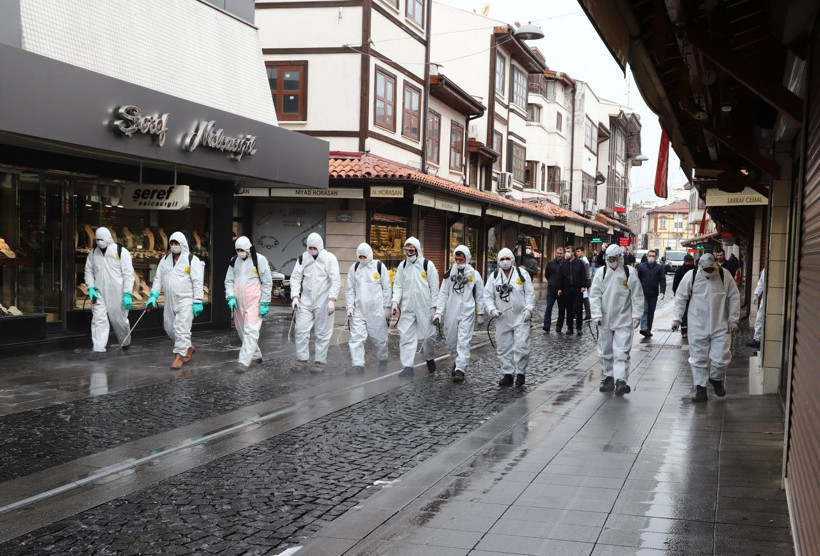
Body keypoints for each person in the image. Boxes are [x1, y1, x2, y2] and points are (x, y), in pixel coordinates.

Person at [672, 253, 740, 402]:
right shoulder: (692, 275)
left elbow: (734, 296)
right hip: (697, 324)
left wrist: (733, 319)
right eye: (707, 269)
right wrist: (677, 319)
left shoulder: (724, 275)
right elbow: (681, 297)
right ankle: (700, 388)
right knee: (698, 358)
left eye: (712, 269)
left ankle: (716, 378)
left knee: (722, 357)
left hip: (720, 323)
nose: (710, 272)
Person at [589, 244, 644, 396]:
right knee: (605, 350)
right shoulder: (602, 272)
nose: (611, 262)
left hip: (623, 318)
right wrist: (597, 313)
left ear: (620, 258)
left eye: (614, 259)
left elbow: (637, 295)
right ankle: (608, 376)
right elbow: (594, 295)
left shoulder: (629, 272)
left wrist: (636, 314)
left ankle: (620, 380)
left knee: (621, 351)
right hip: (605, 318)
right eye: (609, 259)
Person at [146, 232, 204, 369]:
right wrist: (153, 295)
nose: (174, 246)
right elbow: (158, 278)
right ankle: (187, 347)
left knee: (182, 328)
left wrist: (198, 300)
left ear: (182, 244)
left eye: (176, 243)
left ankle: (178, 356)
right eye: (172, 243)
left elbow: (197, 281)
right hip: (169, 300)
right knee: (169, 328)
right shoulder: (165, 259)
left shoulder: (191, 260)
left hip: (186, 299)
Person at [290, 233, 341, 372]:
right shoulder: (303, 258)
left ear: (320, 246)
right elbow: (295, 277)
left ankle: (320, 360)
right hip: (305, 301)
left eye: (314, 247)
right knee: (300, 330)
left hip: (323, 301)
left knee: (322, 332)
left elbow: (335, 280)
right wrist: (295, 296)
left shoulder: (329, 259)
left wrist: (332, 299)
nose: (312, 249)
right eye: (309, 247)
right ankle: (302, 358)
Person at [485, 248, 535, 387]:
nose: (505, 262)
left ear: (512, 260)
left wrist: (529, 309)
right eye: (502, 259)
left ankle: (520, 373)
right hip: (502, 318)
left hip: (521, 316)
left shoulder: (521, 274)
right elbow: (487, 296)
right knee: (503, 346)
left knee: (521, 345)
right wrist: (492, 309)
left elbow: (530, 293)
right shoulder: (494, 276)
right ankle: (507, 374)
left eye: (508, 259)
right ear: (498, 261)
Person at [434, 245, 485, 383]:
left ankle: (460, 369)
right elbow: (443, 294)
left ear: (466, 258)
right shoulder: (448, 274)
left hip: (466, 312)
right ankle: (457, 361)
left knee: (463, 341)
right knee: (451, 341)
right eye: (456, 258)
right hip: (451, 312)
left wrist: (480, 313)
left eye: (461, 258)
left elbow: (480, 294)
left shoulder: (474, 275)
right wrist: (439, 312)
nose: (458, 260)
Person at [391, 237, 440, 377]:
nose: (408, 253)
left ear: (417, 250)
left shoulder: (427, 265)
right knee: (405, 335)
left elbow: (434, 288)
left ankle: (429, 357)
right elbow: (398, 285)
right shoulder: (402, 266)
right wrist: (395, 301)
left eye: (411, 250)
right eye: (406, 250)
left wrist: (434, 307)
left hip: (424, 307)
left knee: (429, 335)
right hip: (407, 307)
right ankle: (408, 366)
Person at [85, 227, 135, 360]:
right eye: (97, 239)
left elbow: (128, 274)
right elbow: (88, 272)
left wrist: (127, 293)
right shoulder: (93, 254)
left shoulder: (121, 252)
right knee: (99, 319)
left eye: (102, 239)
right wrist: (90, 288)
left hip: (117, 293)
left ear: (108, 238)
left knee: (119, 321)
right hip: (99, 292)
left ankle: (125, 342)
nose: (99, 242)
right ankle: (99, 349)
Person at [225, 236, 272, 370]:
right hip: (238, 303)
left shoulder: (260, 260)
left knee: (251, 331)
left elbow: (267, 282)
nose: (240, 252)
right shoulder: (234, 261)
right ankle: (256, 355)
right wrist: (231, 296)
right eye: (237, 249)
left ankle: (243, 362)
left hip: (255, 302)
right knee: (241, 331)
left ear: (248, 248)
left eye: (242, 250)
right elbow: (228, 280)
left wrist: (264, 302)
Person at [346, 243, 391, 373]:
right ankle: (357, 365)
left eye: (364, 256)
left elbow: (386, 287)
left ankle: (383, 359)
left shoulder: (379, 267)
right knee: (356, 338)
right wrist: (350, 306)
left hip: (376, 310)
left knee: (379, 338)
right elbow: (350, 289)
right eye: (360, 256)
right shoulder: (354, 268)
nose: (362, 258)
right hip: (359, 309)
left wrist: (386, 307)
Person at [556, 245, 587, 335]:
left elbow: (583, 275)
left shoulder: (579, 263)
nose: (567, 253)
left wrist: (583, 286)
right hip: (567, 289)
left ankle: (579, 327)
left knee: (578, 308)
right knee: (568, 309)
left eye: (569, 251)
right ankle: (570, 327)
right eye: (566, 251)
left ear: (573, 252)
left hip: (577, 289)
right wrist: (560, 288)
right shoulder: (563, 263)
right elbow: (560, 277)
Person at [636, 249, 666, 337]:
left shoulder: (659, 268)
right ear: (647, 256)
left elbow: (662, 280)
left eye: (653, 256)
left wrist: (662, 292)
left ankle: (648, 330)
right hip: (643, 293)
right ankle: (644, 328)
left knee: (651, 312)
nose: (651, 257)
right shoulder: (641, 267)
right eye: (650, 255)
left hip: (653, 293)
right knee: (645, 310)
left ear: (656, 257)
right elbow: (636, 279)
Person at [671, 254, 696, 338]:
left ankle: (692, 329)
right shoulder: (679, 271)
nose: (688, 263)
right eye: (686, 261)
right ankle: (684, 330)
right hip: (683, 296)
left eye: (689, 261)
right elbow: (675, 284)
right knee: (684, 313)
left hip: (694, 296)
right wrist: (677, 294)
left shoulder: (696, 270)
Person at [542, 246, 564, 332]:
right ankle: (546, 325)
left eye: (561, 253)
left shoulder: (565, 263)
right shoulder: (551, 263)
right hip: (552, 289)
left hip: (562, 290)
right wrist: (551, 282)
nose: (559, 255)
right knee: (549, 307)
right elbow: (547, 275)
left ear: (563, 254)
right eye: (558, 253)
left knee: (561, 309)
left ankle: (559, 326)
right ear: (555, 253)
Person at [747, 268, 766, 348]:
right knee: (759, 317)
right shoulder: (765, 270)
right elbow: (761, 283)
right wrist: (756, 294)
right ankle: (757, 339)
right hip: (766, 297)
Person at [576, 247, 592, 320]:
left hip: (584, 282)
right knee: (584, 298)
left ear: (582, 252)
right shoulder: (582, 260)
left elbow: (584, 273)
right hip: (585, 281)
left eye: (578, 251)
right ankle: (587, 314)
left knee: (584, 298)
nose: (577, 253)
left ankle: (588, 314)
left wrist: (584, 283)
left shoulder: (583, 260)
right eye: (576, 251)